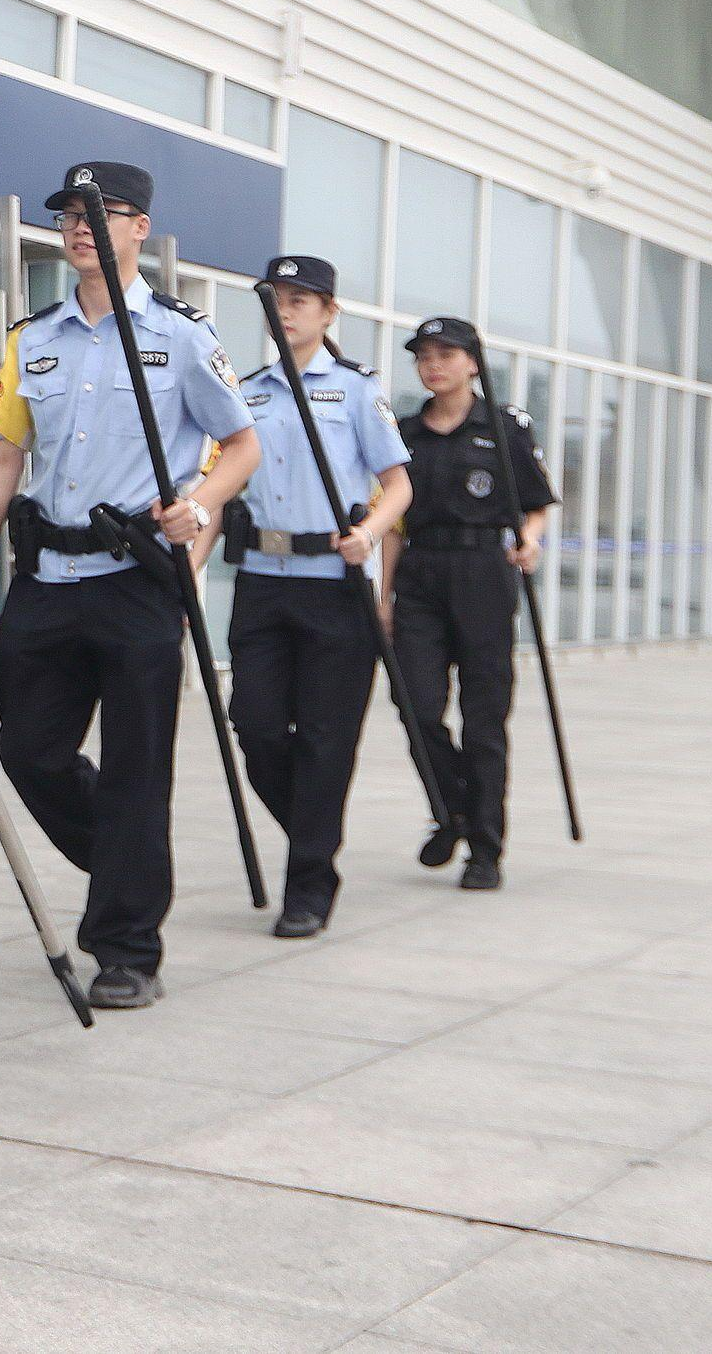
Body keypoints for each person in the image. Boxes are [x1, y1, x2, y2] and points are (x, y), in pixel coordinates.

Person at [0, 161, 258, 1008]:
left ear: (139, 229)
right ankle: (125, 865)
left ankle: (128, 948)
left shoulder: (183, 336)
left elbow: (240, 446)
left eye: (105, 212)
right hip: (46, 579)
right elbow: (5, 452)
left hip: (134, 581)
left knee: (136, 771)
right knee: (28, 751)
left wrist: (195, 508)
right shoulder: (34, 337)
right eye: (69, 214)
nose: (82, 226)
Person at [221, 255, 412, 937]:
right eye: (277, 298)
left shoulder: (357, 391)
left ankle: (308, 881)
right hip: (260, 584)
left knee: (327, 741)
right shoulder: (244, 392)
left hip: (333, 586)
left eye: (303, 299)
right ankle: (314, 833)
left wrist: (369, 533)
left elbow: (397, 486)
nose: (289, 309)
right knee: (255, 724)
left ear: (329, 312)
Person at [377, 315, 556, 891]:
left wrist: (529, 540)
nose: (434, 365)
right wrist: (383, 593)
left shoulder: (504, 429)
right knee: (417, 705)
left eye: (446, 355)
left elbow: (536, 501)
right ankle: (452, 807)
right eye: (424, 356)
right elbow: (393, 525)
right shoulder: (403, 433)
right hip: (421, 574)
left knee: (483, 720)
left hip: (483, 572)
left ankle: (484, 846)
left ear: (473, 363)